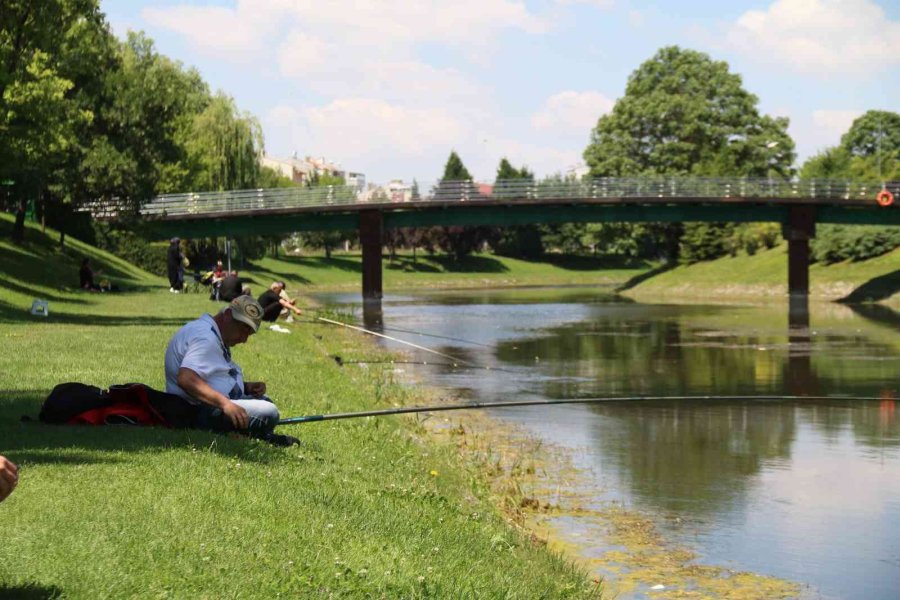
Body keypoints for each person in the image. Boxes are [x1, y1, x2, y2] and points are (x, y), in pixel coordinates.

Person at [164, 296, 298, 446]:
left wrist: (245, 386)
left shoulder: (212, 332)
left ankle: (254, 433)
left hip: (207, 405)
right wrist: (226, 404)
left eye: (249, 333)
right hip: (196, 410)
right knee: (269, 412)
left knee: (265, 402)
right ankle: (251, 434)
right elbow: (186, 378)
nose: (244, 339)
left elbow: (210, 374)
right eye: (243, 329)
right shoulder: (206, 338)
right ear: (227, 315)